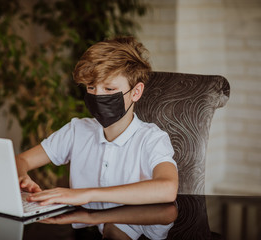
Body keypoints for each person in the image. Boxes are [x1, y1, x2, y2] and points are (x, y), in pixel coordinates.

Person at [15, 36, 178, 206]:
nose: (98, 95)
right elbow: (21, 160)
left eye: (109, 89)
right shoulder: (76, 130)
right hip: (82, 228)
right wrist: (21, 176)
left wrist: (87, 194)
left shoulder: (151, 139)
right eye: (91, 87)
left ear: (136, 92)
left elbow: (167, 188)